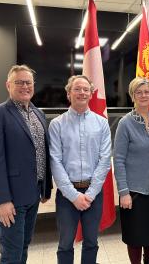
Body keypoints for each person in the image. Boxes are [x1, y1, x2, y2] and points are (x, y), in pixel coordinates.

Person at [0, 64, 52, 264]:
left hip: (34, 194)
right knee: (11, 253)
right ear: (8, 85)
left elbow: (42, 152)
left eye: (28, 82)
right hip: (11, 199)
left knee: (24, 245)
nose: (24, 86)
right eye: (19, 82)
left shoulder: (39, 114)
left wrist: (45, 188)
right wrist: (2, 200)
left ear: (33, 86)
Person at [49, 75, 112, 264]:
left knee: (91, 242)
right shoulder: (57, 124)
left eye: (86, 89)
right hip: (67, 195)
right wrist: (73, 195)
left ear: (91, 94)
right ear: (69, 94)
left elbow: (104, 160)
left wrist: (91, 194)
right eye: (77, 89)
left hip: (94, 194)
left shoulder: (101, 123)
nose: (82, 93)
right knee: (66, 243)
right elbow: (55, 161)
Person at [113, 77, 149, 264]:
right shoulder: (125, 123)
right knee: (135, 235)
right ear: (132, 95)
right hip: (133, 192)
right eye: (139, 92)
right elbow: (118, 160)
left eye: (147, 92)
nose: (143, 95)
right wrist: (123, 192)